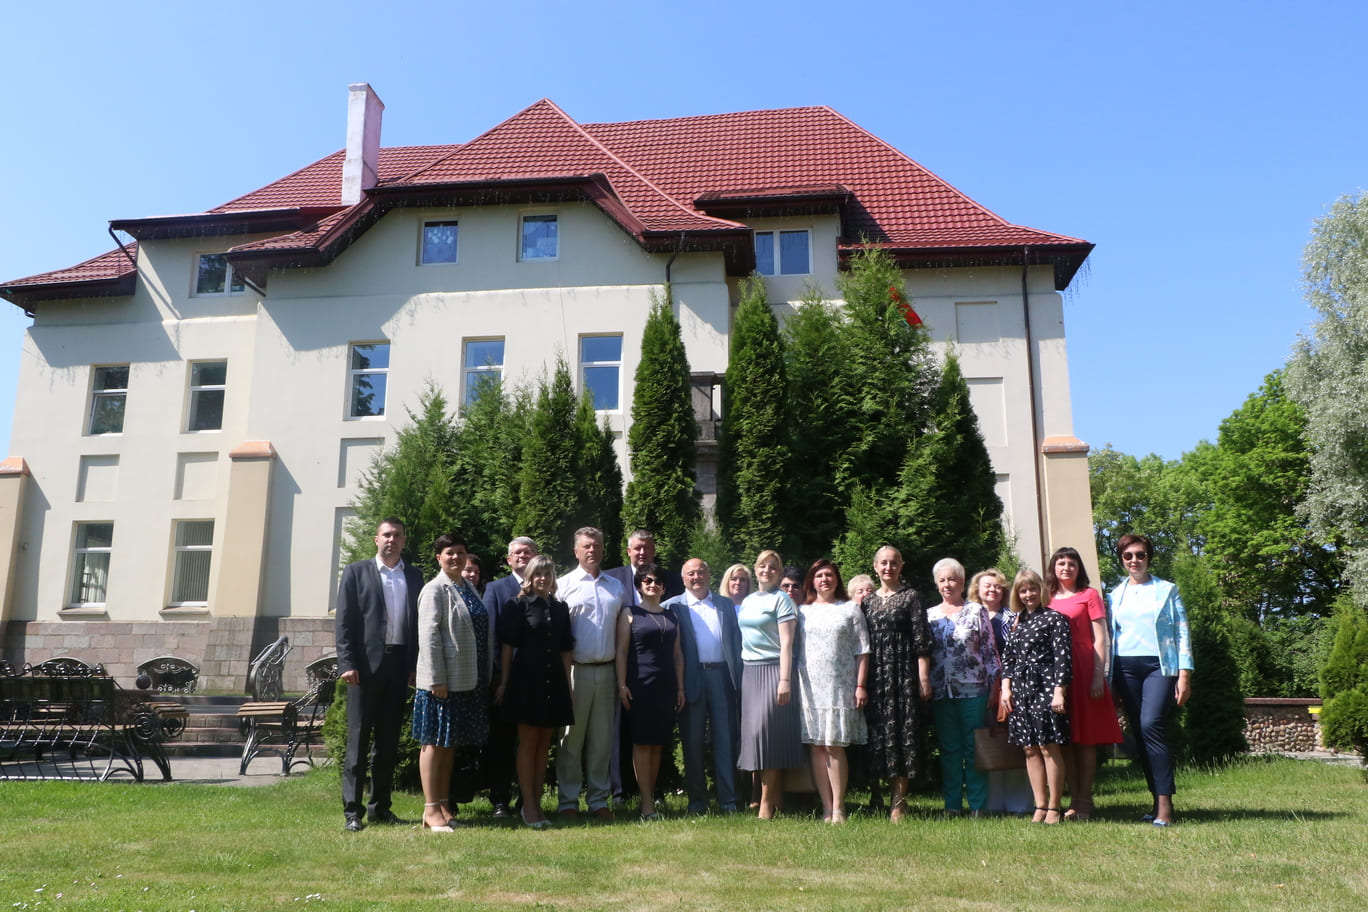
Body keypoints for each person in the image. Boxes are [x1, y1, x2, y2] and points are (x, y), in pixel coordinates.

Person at [334, 517, 423, 832]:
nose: (392, 540)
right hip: (364, 670)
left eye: (397, 535)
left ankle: (380, 808)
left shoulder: (414, 576)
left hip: (399, 666)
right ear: (376, 539)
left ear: (404, 540)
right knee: (358, 742)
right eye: (387, 535)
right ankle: (352, 812)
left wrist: (414, 665)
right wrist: (346, 663)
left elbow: (417, 626)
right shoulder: (357, 572)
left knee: (387, 744)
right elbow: (344, 622)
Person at [1108, 534, 1193, 827]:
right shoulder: (1115, 594)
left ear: (1149, 557)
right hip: (1125, 668)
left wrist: (1184, 674)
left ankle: (1166, 807)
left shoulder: (1167, 591)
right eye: (1128, 556)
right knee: (1140, 734)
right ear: (1121, 559)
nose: (1134, 560)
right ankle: (1155, 803)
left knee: (1150, 725)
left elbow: (1182, 632)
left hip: (1159, 666)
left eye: (1140, 555)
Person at [413, 533, 494, 831]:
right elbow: (429, 638)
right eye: (450, 553)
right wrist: (436, 679)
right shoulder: (435, 589)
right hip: (442, 682)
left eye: (461, 552)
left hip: (466, 680)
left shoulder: (467, 587)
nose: (456, 557)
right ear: (439, 557)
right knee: (434, 742)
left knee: (450, 744)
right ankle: (430, 809)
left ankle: (443, 805)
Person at [494, 554, 574, 829]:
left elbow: (566, 650)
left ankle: (538, 805)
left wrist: (569, 686)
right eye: (538, 574)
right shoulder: (517, 605)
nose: (543, 579)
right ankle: (528, 807)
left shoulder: (561, 607)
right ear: (529, 576)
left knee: (543, 746)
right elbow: (507, 647)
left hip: (554, 682)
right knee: (528, 744)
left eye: (548, 574)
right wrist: (504, 682)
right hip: (526, 681)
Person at [1046, 546, 1123, 820]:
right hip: (1057, 674)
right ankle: (1072, 799)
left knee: (1086, 739)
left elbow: (1101, 638)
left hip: (1085, 668)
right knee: (1064, 737)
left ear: (1079, 568)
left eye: (1071, 563)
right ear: (1053, 568)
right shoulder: (1047, 597)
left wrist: (1098, 675)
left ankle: (1084, 800)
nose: (1066, 567)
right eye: (1061, 563)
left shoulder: (1089, 595)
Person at [556, 527, 625, 820]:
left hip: (607, 671)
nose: (592, 550)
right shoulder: (563, 586)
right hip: (576, 671)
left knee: (601, 740)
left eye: (596, 545)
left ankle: (598, 800)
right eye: (586, 546)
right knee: (571, 739)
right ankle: (568, 801)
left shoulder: (616, 587)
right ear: (576, 551)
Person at [667, 557, 743, 815]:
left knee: (726, 740)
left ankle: (729, 800)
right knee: (693, 743)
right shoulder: (673, 607)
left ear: (709, 576)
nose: (696, 577)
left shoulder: (724, 604)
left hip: (722, 677)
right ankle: (698, 802)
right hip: (689, 679)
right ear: (683, 578)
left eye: (700, 572)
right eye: (691, 574)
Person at [861, 546, 932, 822]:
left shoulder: (911, 597)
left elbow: (922, 641)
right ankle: (884, 794)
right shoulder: (867, 602)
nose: (888, 567)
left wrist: (923, 678)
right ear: (875, 567)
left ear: (901, 566)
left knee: (904, 735)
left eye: (893, 563)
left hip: (904, 675)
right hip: (876, 677)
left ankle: (899, 802)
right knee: (882, 737)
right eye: (883, 563)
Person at [796, 559, 870, 824]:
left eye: (829, 575)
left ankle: (839, 807)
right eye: (819, 576)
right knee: (817, 746)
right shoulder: (802, 611)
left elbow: (862, 650)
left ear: (837, 579)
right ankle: (826, 807)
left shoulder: (849, 609)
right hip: (810, 687)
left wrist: (861, 685)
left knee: (835, 746)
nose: (824, 579)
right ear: (811, 581)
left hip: (840, 686)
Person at [926, 557, 1000, 816]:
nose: (948, 584)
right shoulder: (930, 615)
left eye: (952, 579)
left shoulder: (976, 611)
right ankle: (952, 806)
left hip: (974, 690)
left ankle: (978, 806)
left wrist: (994, 688)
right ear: (937, 584)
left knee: (973, 748)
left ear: (962, 581)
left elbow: (991, 653)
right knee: (949, 750)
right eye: (942, 580)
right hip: (941, 691)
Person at [1000, 568, 1072, 824]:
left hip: (1046, 687)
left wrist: (1059, 692)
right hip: (1020, 690)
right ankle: (1039, 805)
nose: (1028, 594)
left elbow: (1064, 659)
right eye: (1022, 590)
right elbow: (1008, 658)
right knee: (1029, 749)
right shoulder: (1017, 621)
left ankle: (1054, 807)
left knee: (1048, 747)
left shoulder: (1055, 619)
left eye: (1032, 588)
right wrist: (1005, 688)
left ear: (1040, 590)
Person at [615, 562, 685, 820]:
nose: (652, 584)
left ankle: (650, 798)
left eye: (657, 581)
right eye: (647, 581)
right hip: (639, 685)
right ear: (639, 586)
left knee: (657, 744)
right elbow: (621, 651)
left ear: (664, 587)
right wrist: (622, 684)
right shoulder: (629, 613)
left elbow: (678, 655)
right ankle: (646, 804)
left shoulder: (672, 616)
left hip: (666, 687)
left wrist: (680, 687)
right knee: (642, 744)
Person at [737, 549, 803, 819]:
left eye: (773, 567)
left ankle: (766, 804)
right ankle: (769, 798)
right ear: (756, 569)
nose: (767, 570)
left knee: (768, 737)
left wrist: (784, 680)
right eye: (763, 566)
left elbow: (787, 643)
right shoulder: (749, 600)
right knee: (754, 737)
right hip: (750, 673)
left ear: (780, 571)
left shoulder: (783, 601)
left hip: (775, 671)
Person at [481, 536, 540, 820]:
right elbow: (490, 635)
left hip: (536, 679)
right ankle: (500, 800)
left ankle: (528, 800)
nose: (522, 556)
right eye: (517, 552)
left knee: (532, 742)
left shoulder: (545, 589)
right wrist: (496, 676)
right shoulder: (495, 589)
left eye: (527, 552)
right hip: (504, 680)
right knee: (502, 742)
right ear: (508, 560)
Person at [970, 568, 1032, 815]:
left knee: (1014, 740)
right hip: (978, 687)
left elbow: (1015, 654)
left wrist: (1004, 684)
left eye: (997, 586)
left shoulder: (1012, 617)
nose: (993, 590)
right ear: (977, 589)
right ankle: (992, 803)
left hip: (1011, 686)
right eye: (987, 586)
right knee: (989, 740)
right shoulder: (970, 614)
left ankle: (1019, 803)